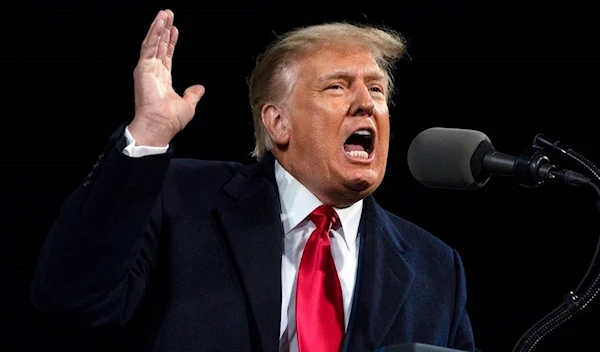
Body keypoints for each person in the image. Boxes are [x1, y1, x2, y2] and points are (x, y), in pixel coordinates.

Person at [30, 8, 479, 352]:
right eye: (337, 87)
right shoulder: (181, 200)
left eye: (377, 90)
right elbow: (70, 301)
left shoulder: (435, 268)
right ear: (277, 123)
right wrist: (147, 133)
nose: (366, 104)